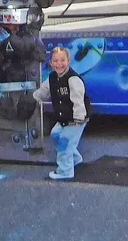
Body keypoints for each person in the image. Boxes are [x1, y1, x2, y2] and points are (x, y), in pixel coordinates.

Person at [32, 46, 88, 180]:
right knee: (55, 135)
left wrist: (78, 119)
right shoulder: (52, 78)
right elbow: (43, 92)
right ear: (51, 63)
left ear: (68, 61)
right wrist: (33, 98)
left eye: (62, 60)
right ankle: (75, 158)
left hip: (76, 118)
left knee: (65, 144)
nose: (59, 64)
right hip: (63, 117)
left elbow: (78, 100)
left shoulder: (73, 79)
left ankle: (65, 171)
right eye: (55, 61)